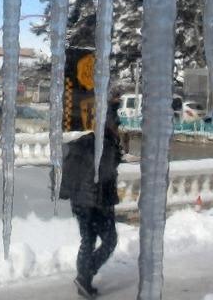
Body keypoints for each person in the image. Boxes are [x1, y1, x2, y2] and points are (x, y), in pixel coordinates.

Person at [60, 99, 123, 299]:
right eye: (116, 124)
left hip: (82, 200)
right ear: (109, 124)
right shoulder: (104, 144)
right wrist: (102, 206)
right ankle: (85, 276)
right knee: (108, 240)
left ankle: (84, 278)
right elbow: (105, 175)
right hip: (94, 202)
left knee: (88, 239)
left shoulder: (92, 140)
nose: (118, 128)